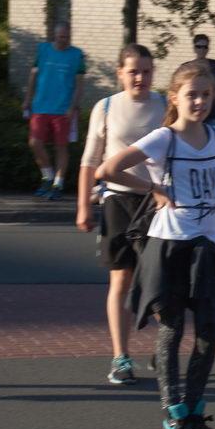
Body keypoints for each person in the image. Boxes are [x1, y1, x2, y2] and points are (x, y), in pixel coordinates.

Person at [96, 61, 215, 429]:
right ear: (175, 98)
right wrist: (155, 189)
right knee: (172, 329)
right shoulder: (164, 138)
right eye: (192, 95)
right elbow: (107, 169)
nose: (200, 101)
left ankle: (194, 409)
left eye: (206, 94)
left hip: (206, 246)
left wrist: (214, 184)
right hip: (169, 244)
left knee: (209, 331)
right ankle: (173, 414)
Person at [76, 44, 165, 385]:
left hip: (156, 203)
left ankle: (165, 348)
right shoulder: (106, 107)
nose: (140, 78)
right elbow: (90, 160)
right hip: (117, 201)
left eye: (146, 71)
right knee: (121, 280)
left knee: (160, 280)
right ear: (120, 73)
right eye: (133, 71)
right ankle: (121, 357)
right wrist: (83, 205)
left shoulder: (164, 105)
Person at [22, 22, 86, 201]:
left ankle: (58, 183)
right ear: (54, 36)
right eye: (60, 37)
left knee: (61, 147)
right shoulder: (42, 50)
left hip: (63, 109)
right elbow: (33, 76)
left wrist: (73, 107)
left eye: (66, 37)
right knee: (35, 142)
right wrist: (27, 99)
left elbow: (79, 85)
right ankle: (48, 176)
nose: (63, 40)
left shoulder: (77, 55)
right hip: (40, 106)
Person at [189, 34, 215, 127]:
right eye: (199, 47)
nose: (202, 50)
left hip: (212, 112)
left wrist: (208, 101)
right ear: (194, 48)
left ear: (208, 49)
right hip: (193, 111)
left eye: (205, 47)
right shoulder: (187, 67)